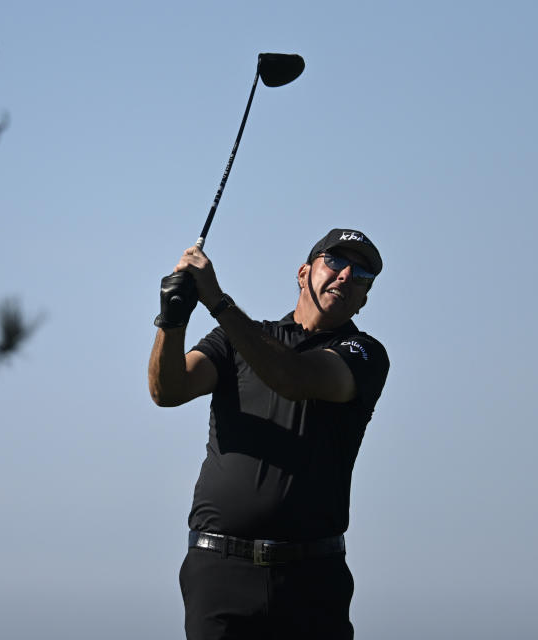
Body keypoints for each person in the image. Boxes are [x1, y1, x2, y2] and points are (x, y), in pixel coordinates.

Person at [148, 228, 390, 640]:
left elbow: (293, 377)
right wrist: (172, 319)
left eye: (361, 272)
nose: (346, 275)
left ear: (365, 298)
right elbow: (167, 390)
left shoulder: (365, 354)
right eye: (334, 261)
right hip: (219, 572)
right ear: (303, 273)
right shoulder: (232, 339)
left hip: (312, 579)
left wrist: (218, 301)